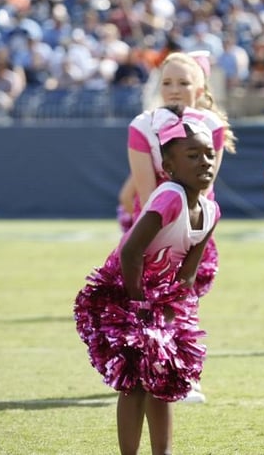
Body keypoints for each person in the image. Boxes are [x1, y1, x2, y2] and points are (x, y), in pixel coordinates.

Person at [74, 117, 219, 455]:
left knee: (165, 377)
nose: (205, 162)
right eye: (193, 155)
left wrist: (171, 316)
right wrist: (140, 307)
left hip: (162, 298)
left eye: (209, 155)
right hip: (123, 292)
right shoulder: (169, 197)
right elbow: (131, 251)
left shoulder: (211, 210)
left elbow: (187, 274)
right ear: (168, 166)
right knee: (135, 382)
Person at [125, 51, 236, 403]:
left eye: (183, 82)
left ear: (201, 87)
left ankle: (182, 373)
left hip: (195, 224)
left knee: (185, 301)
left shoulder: (211, 126)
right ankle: (141, 368)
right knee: (145, 303)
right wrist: (160, 239)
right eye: (167, 83)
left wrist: (190, 231)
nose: (174, 89)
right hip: (155, 227)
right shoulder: (142, 125)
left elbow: (205, 181)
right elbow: (145, 192)